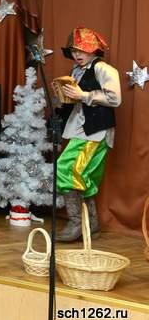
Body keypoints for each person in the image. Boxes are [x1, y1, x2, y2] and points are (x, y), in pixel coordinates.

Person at [55, 27, 121, 242]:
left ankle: (76, 223)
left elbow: (114, 98)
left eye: (82, 49)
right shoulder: (76, 70)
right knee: (84, 177)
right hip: (79, 128)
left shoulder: (104, 69)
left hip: (95, 131)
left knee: (66, 169)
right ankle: (90, 225)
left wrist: (83, 95)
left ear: (94, 50)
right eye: (74, 50)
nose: (77, 54)